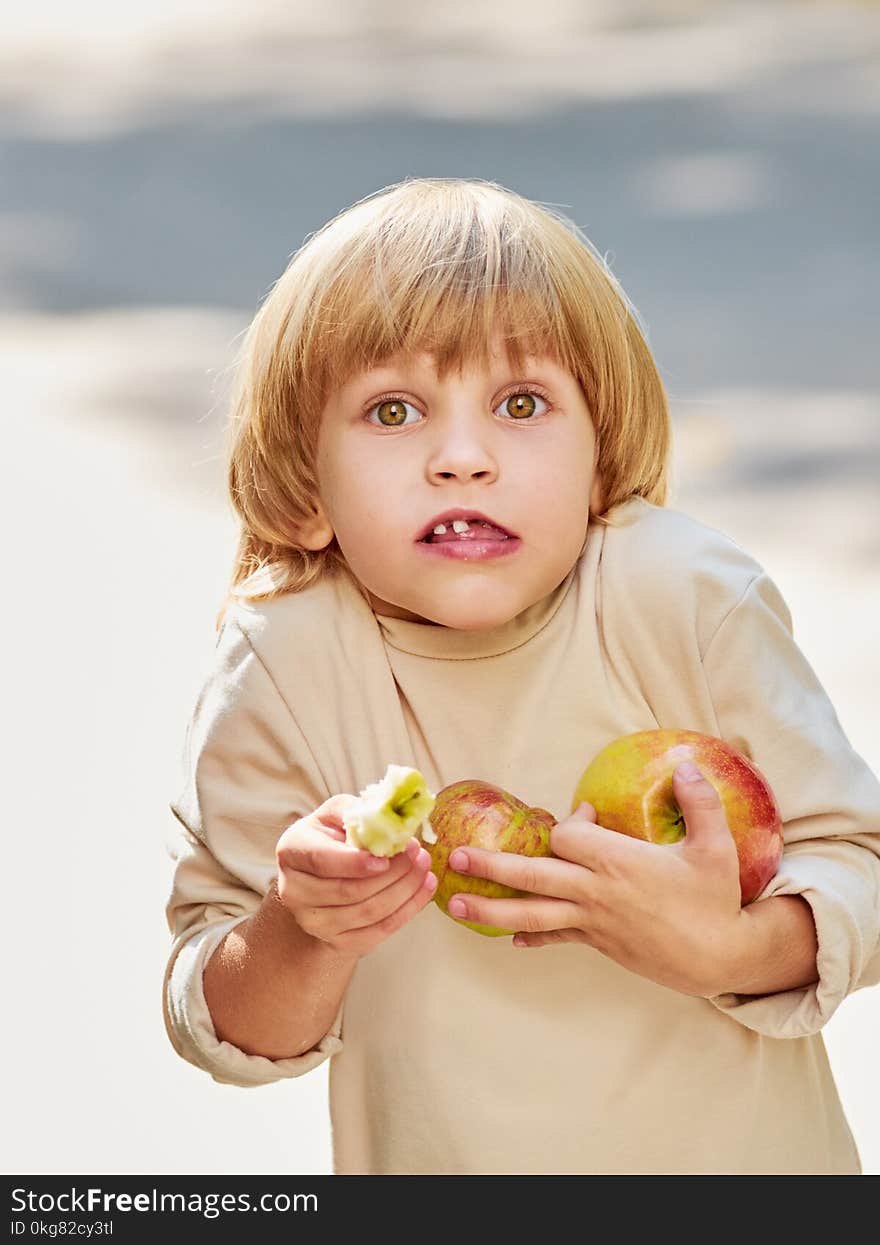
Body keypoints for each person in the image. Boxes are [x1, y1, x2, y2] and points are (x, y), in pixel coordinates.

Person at [163, 176, 880, 1175]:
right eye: (394, 409)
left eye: (522, 402)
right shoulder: (285, 663)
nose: (462, 458)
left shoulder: (683, 599)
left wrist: (727, 950)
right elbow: (228, 1026)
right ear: (302, 487)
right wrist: (299, 930)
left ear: (599, 462)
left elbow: (860, 863)